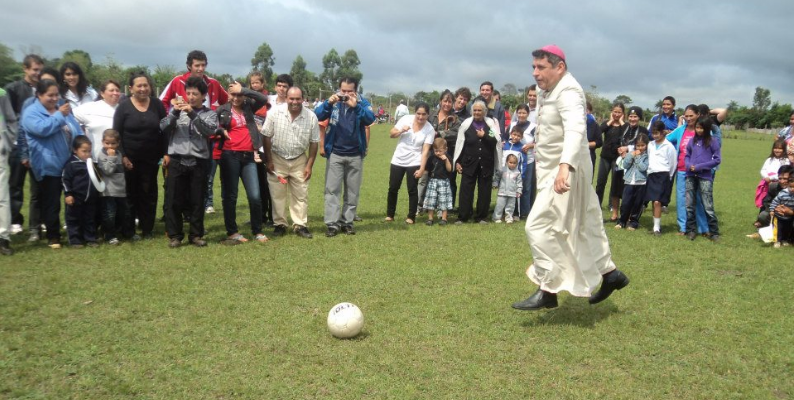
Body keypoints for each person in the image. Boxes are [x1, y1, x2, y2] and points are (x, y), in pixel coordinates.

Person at [512, 45, 629, 310]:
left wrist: (564, 167)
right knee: (584, 223)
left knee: (538, 226)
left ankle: (548, 288)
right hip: (554, 170)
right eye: (533, 67)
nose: (535, 73)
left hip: (566, 171)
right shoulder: (547, 91)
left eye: (541, 67)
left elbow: (576, 130)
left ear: (559, 67)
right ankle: (611, 274)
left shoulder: (570, 92)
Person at [21, 79, 85, 249]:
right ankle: (53, 236)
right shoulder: (31, 113)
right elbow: (42, 129)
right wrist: (59, 116)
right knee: (52, 203)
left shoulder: (61, 109)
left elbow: (75, 129)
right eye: (50, 95)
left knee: (73, 199)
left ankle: (77, 233)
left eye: (56, 94)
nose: (54, 98)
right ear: (39, 95)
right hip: (48, 165)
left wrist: (80, 145)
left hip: (68, 164)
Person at [160, 76, 217, 248]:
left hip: (199, 161)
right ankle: (175, 235)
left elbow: (209, 131)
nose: (191, 97)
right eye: (188, 93)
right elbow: (163, 127)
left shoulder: (210, 114)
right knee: (174, 200)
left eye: (195, 94)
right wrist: (176, 112)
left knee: (197, 200)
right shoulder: (176, 111)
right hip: (177, 160)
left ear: (203, 96)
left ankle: (196, 235)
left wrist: (192, 113)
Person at [315, 77, 375, 237]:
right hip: (335, 153)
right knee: (332, 190)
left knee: (352, 191)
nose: (346, 94)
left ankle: (347, 222)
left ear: (356, 90)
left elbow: (370, 119)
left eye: (350, 91)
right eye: (343, 91)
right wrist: (328, 103)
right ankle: (332, 224)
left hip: (355, 153)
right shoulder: (334, 101)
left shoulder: (362, 103)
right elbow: (317, 116)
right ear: (339, 89)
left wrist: (356, 107)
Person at [113, 71, 167, 240]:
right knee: (130, 195)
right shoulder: (123, 107)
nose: (143, 89)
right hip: (129, 159)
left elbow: (165, 130)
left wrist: (166, 153)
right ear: (131, 88)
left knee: (149, 194)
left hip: (151, 159)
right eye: (139, 86)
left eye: (146, 85)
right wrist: (123, 156)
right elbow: (116, 133)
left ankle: (147, 229)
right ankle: (129, 231)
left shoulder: (157, 105)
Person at [262, 86, 320, 239]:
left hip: (299, 159)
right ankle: (280, 224)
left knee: (301, 193)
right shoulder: (274, 112)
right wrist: (269, 160)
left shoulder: (311, 117)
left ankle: (300, 225)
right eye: (291, 98)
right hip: (277, 157)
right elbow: (266, 136)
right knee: (277, 194)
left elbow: (314, 142)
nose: (294, 102)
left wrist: (309, 165)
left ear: (303, 99)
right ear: (286, 98)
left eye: (298, 98)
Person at [216, 81, 269, 243]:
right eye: (233, 94)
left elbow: (262, 98)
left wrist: (244, 90)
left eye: (239, 95)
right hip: (229, 155)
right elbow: (211, 127)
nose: (237, 98)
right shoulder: (221, 110)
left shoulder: (248, 107)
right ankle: (232, 232)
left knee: (255, 195)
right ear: (227, 94)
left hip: (248, 156)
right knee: (230, 196)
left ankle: (257, 230)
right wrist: (220, 130)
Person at [5, 54, 44, 238]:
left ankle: (37, 222)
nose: (38, 73)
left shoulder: (44, 89)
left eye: (40, 70)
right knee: (15, 185)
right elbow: (8, 117)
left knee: (38, 188)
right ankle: (14, 220)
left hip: (37, 146)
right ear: (25, 69)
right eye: (35, 69)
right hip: (16, 144)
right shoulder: (13, 89)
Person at [453, 98, 502, 224]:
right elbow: (460, 145)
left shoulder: (490, 124)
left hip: (486, 163)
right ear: (472, 111)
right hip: (469, 163)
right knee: (466, 190)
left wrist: (484, 136)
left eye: (480, 110)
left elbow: (494, 141)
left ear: (484, 111)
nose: (477, 112)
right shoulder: (466, 125)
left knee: (484, 191)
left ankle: (481, 216)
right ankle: (463, 216)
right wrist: (457, 161)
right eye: (475, 110)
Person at [386, 102, 434, 224]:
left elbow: (425, 151)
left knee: (412, 189)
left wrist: (422, 168)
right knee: (393, 188)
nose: (421, 117)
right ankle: (390, 215)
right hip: (398, 159)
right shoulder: (406, 119)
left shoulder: (430, 129)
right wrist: (402, 130)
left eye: (424, 114)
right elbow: (391, 134)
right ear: (415, 112)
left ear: (428, 115)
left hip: (414, 161)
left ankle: (411, 216)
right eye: (418, 113)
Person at [666, 105, 709, 235]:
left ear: (698, 115)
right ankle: (683, 227)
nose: (689, 118)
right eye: (686, 116)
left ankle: (703, 228)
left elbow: (712, 147)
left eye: (691, 116)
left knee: (699, 199)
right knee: (682, 199)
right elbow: (666, 140)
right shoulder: (680, 130)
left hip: (699, 171)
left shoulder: (704, 130)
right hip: (682, 170)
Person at [684, 117, 721, 242]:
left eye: (701, 128)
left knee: (707, 204)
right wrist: (688, 165)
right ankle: (691, 230)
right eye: (697, 128)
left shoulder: (712, 141)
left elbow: (717, 159)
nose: (699, 130)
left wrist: (700, 166)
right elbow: (687, 155)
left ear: (706, 129)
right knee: (689, 204)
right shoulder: (692, 141)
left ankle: (714, 232)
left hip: (705, 176)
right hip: (690, 175)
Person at [422, 90, 460, 209]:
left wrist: (439, 133)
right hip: (429, 151)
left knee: (447, 180)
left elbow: (456, 133)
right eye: (445, 101)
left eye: (450, 102)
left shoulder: (455, 118)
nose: (447, 104)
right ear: (440, 101)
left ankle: (446, 207)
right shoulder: (431, 115)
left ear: (453, 103)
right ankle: (423, 205)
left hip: (446, 153)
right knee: (426, 178)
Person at [160, 50, 228, 111]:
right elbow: (161, 102)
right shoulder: (177, 81)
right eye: (197, 65)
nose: (201, 69)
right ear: (189, 66)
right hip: (183, 123)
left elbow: (230, 101)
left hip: (208, 123)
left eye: (203, 65)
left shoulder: (213, 83)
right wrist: (169, 118)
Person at [62, 136, 100, 247]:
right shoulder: (71, 164)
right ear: (75, 150)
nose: (87, 154)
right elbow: (65, 180)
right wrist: (68, 194)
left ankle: (90, 239)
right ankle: (75, 240)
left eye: (89, 151)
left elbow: (97, 178)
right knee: (73, 219)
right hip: (75, 198)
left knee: (89, 218)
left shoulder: (91, 163)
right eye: (84, 151)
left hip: (90, 198)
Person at [247, 71, 274, 227]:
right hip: (253, 146)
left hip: (265, 146)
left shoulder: (266, 100)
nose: (254, 85)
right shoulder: (248, 99)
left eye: (257, 82)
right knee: (258, 184)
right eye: (252, 83)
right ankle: (260, 216)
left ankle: (271, 216)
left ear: (263, 84)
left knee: (267, 183)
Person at [73, 79, 122, 160]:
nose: (115, 93)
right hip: (94, 160)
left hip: (117, 162)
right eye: (111, 90)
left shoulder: (123, 109)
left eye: (117, 90)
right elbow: (70, 116)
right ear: (102, 93)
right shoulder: (90, 108)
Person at [96, 129, 128, 245]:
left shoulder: (118, 154)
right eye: (107, 143)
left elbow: (118, 171)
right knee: (109, 214)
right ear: (102, 142)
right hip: (108, 190)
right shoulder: (102, 155)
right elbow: (108, 171)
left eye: (113, 143)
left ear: (118, 143)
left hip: (120, 190)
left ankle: (118, 232)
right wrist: (111, 157)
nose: (110, 146)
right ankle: (108, 235)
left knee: (122, 213)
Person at [595, 102, 626, 220]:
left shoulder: (625, 125)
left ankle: (612, 206)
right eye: (615, 112)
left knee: (615, 183)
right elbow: (599, 131)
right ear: (611, 112)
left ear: (623, 113)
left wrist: (622, 122)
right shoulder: (607, 124)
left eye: (619, 112)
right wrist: (610, 121)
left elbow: (627, 133)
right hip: (605, 157)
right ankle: (597, 204)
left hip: (617, 159)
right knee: (600, 182)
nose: (617, 114)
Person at [645, 121, 677, 235]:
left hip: (663, 175)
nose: (655, 135)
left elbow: (673, 163)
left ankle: (657, 228)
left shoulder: (669, 146)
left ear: (663, 132)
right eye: (653, 133)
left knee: (658, 201)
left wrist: (669, 177)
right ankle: (655, 226)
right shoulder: (650, 145)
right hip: (652, 174)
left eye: (657, 133)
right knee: (654, 201)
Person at [508, 104, 536, 218]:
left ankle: (525, 213)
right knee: (512, 186)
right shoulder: (512, 125)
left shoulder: (534, 126)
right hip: (512, 161)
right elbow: (505, 139)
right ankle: (512, 211)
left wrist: (530, 145)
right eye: (519, 112)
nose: (521, 115)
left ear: (528, 114)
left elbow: (540, 142)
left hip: (528, 161)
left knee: (526, 187)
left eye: (524, 113)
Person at [616, 134, 649, 230]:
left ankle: (633, 222)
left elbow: (643, 168)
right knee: (626, 203)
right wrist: (631, 156)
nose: (640, 147)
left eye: (642, 145)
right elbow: (625, 165)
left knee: (637, 204)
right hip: (629, 181)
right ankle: (622, 221)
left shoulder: (646, 156)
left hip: (641, 182)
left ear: (646, 145)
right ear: (635, 145)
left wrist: (638, 158)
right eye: (638, 145)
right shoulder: (631, 153)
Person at [0, 87, 18, 255]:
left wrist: (8, 142)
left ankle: (3, 237)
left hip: (0, 148)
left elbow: (11, 119)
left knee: (2, 196)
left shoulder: (2, 93)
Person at [423, 138, 453, 226]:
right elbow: (427, 169)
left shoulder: (448, 158)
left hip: (443, 182)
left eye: (440, 151)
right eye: (436, 151)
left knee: (443, 200)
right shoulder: (431, 158)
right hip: (432, 181)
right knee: (431, 200)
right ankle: (430, 218)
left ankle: (444, 218)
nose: (438, 153)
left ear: (445, 149)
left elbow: (450, 169)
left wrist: (446, 160)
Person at [756, 165, 792, 230]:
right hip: (777, 212)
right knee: (763, 215)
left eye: (785, 179)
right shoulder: (773, 187)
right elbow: (766, 202)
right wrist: (776, 208)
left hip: (791, 213)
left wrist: (790, 211)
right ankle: (767, 230)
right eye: (780, 178)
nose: (782, 181)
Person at [492, 153, 522, 224]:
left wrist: (519, 191)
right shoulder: (502, 170)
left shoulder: (517, 172)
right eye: (510, 162)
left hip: (512, 193)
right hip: (502, 192)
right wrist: (495, 184)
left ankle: (509, 218)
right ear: (506, 162)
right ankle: (496, 217)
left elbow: (519, 183)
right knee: (499, 206)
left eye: (514, 163)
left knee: (510, 207)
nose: (512, 164)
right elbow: (497, 177)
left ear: (517, 163)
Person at [770, 172, 794, 247]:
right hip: (779, 216)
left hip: (789, 217)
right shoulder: (782, 193)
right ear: (788, 186)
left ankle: (784, 240)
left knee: (787, 229)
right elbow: (775, 201)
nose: (792, 189)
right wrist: (772, 210)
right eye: (791, 187)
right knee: (778, 229)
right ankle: (777, 240)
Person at [585, 101, 602, 175]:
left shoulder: (594, 124)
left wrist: (585, 145)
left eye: (586, 110)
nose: (584, 112)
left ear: (590, 111)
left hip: (589, 156)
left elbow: (599, 142)